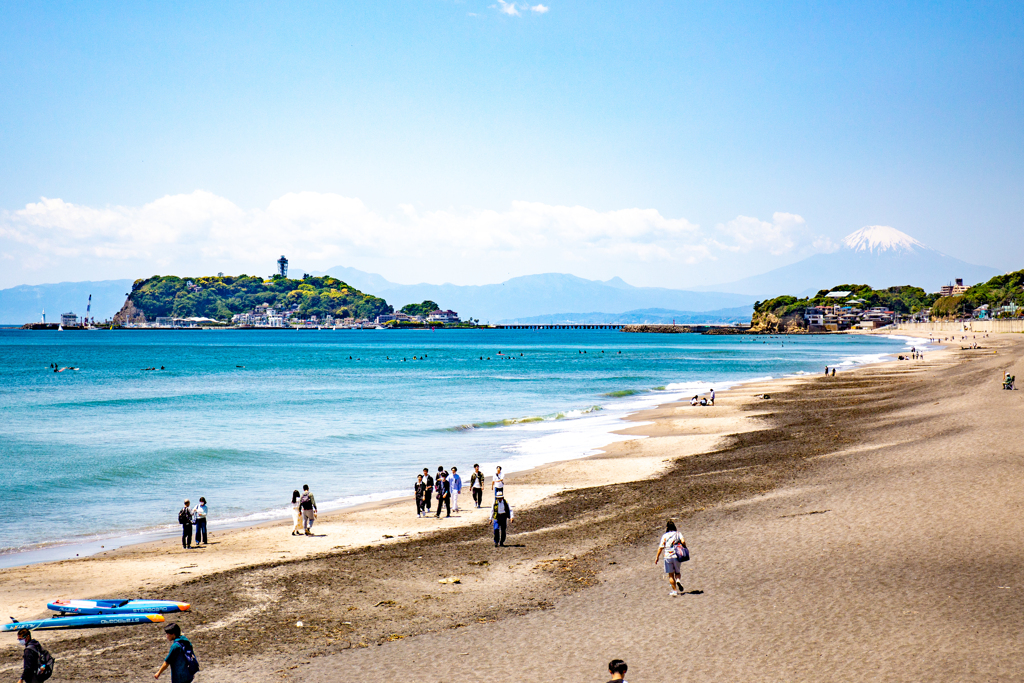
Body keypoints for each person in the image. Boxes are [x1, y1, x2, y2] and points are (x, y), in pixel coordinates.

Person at [654, 520, 687, 596]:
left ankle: (674, 591)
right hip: (676, 555)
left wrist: (657, 557)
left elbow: (661, 547)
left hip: (668, 556)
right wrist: (684, 547)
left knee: (671, 575)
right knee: (677, 572)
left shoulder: (665, 536)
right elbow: (683, 541)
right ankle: (678, 580)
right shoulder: (678, 534)